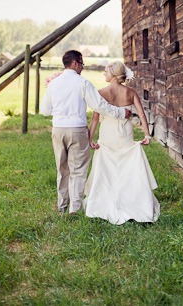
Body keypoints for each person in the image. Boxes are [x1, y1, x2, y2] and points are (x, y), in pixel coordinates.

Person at [40, 50, 132, 215]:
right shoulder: (83, 83)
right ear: (75, 63)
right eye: (82, 64)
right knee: (78, 170)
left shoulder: (54, 84)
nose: (82, 67)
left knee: (62, 170)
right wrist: (120, 113)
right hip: (77, 130)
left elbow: (45, 110)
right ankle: (74, 209)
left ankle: (62, 208)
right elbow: (99, 106)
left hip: (58, 130)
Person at [83, 61, 160, 225]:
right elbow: (141, 114)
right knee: (127, 166)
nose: (104, 74)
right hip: (125, 133)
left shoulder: (101, 93)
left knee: (107, 167)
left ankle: (102, 203)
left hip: (108, 134)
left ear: (112, 74)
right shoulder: (130, 92)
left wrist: (90, 138)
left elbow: (95, 119)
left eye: (105, 71)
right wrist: (147, 135)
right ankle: (132, 203)